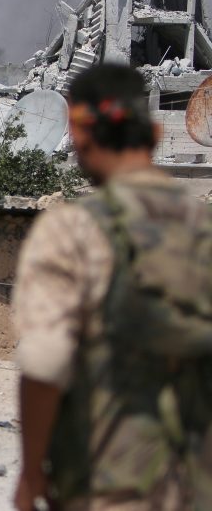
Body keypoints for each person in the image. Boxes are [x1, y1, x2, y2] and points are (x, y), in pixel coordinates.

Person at [13, 63, 212, 511]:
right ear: (156, 136)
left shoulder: (71, 231)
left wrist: (30, 473)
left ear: (80, 136)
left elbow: (45, 363)